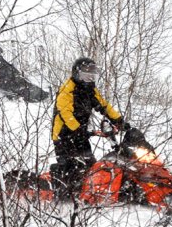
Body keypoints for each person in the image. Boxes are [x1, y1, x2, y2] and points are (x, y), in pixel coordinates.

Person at [51, 57, 125, 199]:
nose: (89, 78)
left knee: (89, 165)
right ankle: (61, 195)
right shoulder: (67, 90)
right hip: (63, 135)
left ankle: (88, 193)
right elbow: (65, 113)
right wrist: (78, 130)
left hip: (81, 134)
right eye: (86, 74)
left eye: (92, 75)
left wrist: (118, 120)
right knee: (70, 167)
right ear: (77, 74)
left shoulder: (90, 89)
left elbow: (104, 106)